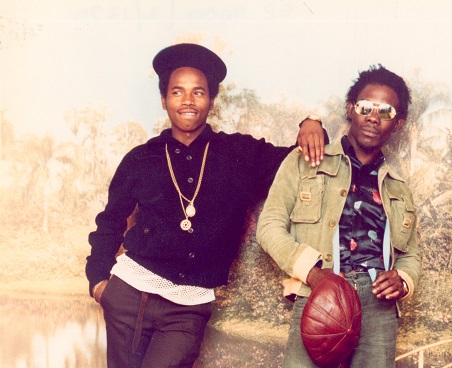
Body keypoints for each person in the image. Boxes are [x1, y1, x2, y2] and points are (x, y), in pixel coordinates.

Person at [85, 43, 327, 368]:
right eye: (177, 92)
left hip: (188, 308)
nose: (187, 101)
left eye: (198, 92)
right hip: (129, 295)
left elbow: (299, 160)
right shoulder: (141, 159)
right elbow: (109, 224)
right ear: (164, 100)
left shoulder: (239, 153)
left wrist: (311, 124)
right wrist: (100, 283)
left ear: (211, 100)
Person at [257, 65, 420, 367]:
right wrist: (313, 274)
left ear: (397, 123)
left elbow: (410, 253)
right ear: (350, 109)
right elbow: (268, 227)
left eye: (385, 111)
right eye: (365, 107)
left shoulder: (399, 189)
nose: (373, 117)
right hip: (319, 294)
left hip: (378, 306)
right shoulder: (306, 160)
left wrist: (404, 279)